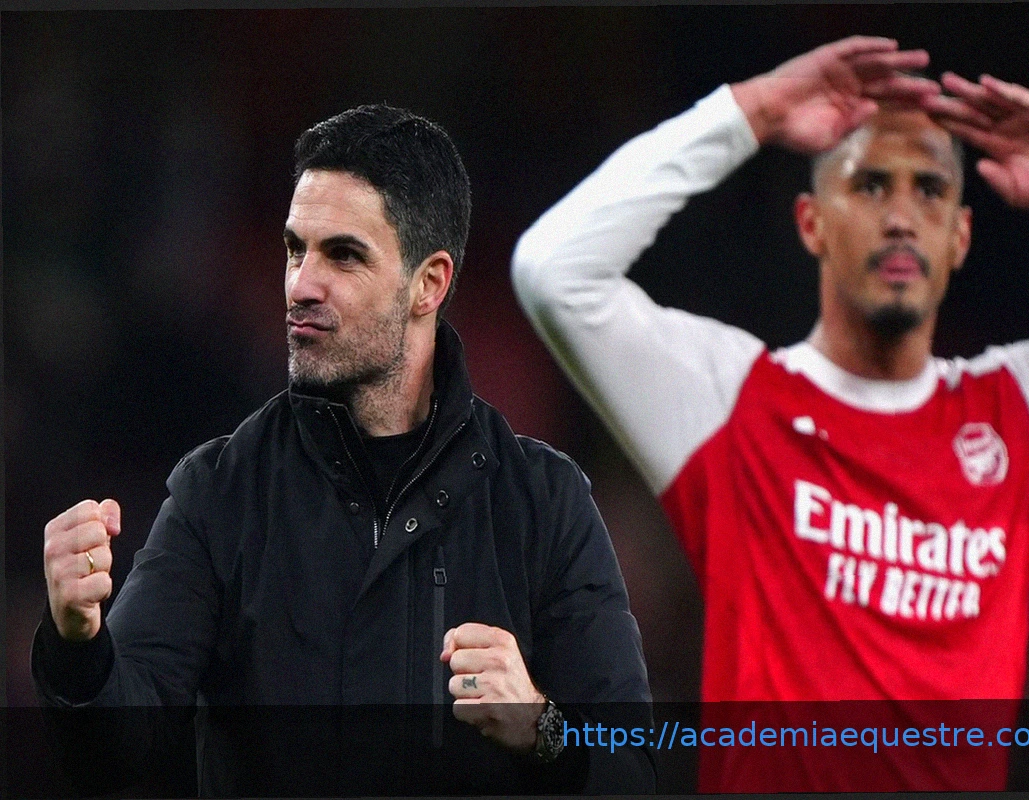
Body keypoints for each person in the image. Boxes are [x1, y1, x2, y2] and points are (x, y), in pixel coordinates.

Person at [511, 37, 1029, 790]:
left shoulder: (1026, 417)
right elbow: (553, 271)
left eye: (929, 190)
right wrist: (752, 111)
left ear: (960, 236)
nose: (901, 216)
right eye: (870, 185)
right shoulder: (729, 403)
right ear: (811, 223)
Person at [33, 104, 654, 796]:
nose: (301, 285)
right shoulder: (221, 491)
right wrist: (78, 646)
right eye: (295, 249)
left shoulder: (544, 501)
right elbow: (119, 754)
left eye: (344, 255)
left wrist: (543, 729)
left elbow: (631, 766)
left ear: (429, 283)